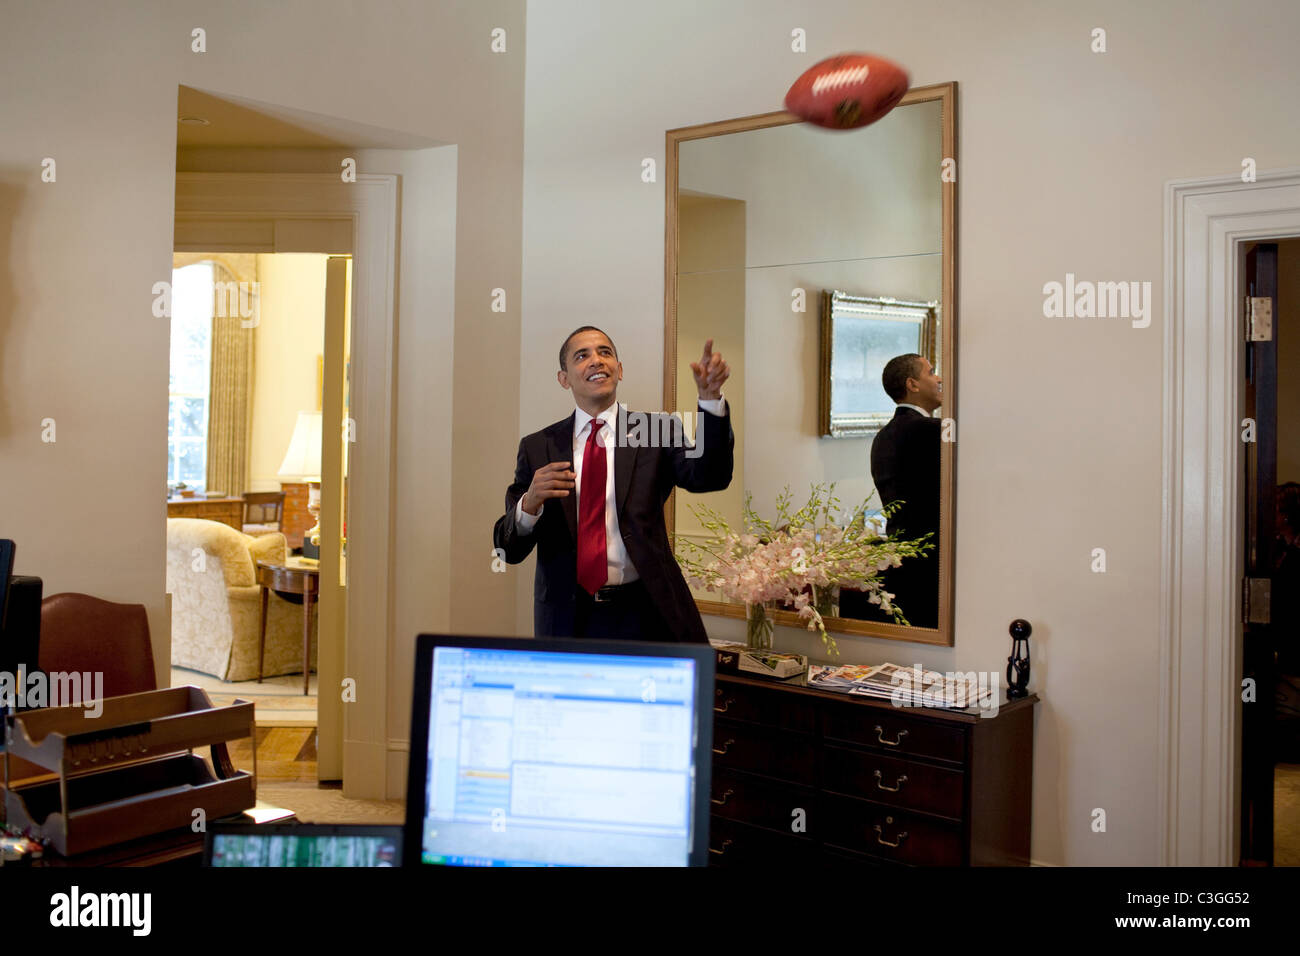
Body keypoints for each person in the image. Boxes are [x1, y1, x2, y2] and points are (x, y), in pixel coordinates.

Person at [493, 326, 733, 642]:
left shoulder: (656, 430)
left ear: (619, 370)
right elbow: (506, 549)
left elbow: (709, 477)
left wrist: (710, 400)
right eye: (582, 356)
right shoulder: (538, 447)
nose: (596, 361)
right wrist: (530, 502)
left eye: (605, 353)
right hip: (568, 618)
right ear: (564, 379)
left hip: (646, 613)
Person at [841, 353, 942, 628]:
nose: (940, 379)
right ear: (913, 384)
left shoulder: (882, 436)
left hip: (901, 561)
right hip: (935, 564)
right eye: (932, 372)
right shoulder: (932, 432)